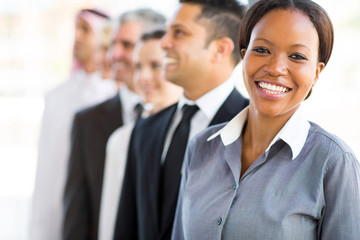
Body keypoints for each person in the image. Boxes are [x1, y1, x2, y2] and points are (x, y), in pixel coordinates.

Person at [171, 0, 360, 239]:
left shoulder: (333, 163)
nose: (276, 68)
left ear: (316, 72)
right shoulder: (201, 147)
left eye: (297, 56)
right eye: (262, 49)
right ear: (244, 55)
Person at [113, 1, 249, 239]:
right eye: (167, 32)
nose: (164, 43)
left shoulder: (253, 128)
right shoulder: (146, 129)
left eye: (179, 33)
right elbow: (127, 225)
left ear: (220, 49)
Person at [62, 9, 166, 240]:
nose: (115, 54)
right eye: (113, 44)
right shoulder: (86, 122)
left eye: (127, 45)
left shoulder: (177, 119)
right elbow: (76, 213)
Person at [30, 8, 116, 240]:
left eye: (85, 30)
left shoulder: (116, 98)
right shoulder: (57, 96)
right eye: (76, 29)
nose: (76, 37)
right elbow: (45, 173)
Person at [98, 29, 183, 240]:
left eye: (156, 66)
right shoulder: (123, 139)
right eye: (138, 67)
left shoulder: (201, 130)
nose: (144, 77)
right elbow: (111, 219)